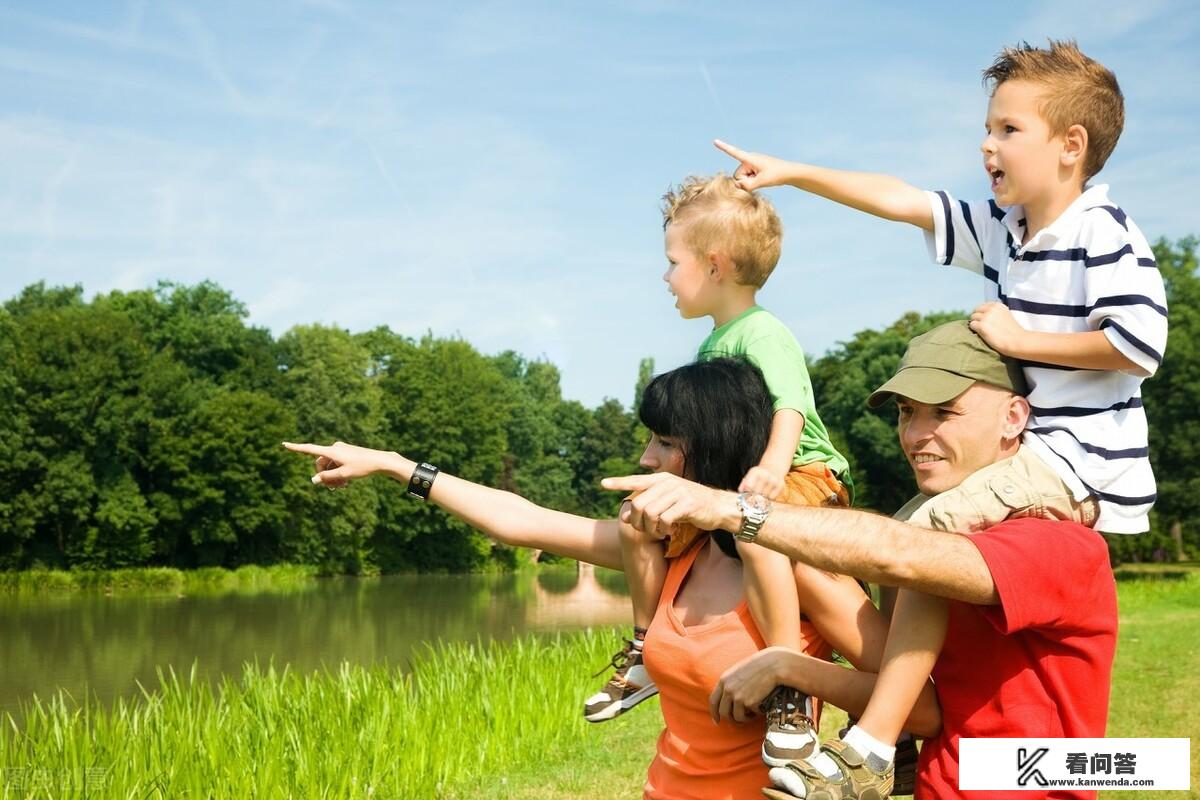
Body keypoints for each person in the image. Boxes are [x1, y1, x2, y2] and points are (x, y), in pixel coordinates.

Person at [710, 38, 1166, 786]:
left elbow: (1139, 340)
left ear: (1070, 146)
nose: (987, 145)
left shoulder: (1101, 233)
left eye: (1009, 130)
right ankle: (901, 704)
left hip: (1074, 460)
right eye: (987, 128)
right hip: (1030, 450)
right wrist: (793, 173)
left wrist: (1023, 339)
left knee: (919, 537)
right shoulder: (1008, 229)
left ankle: (877, 738)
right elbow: (903, 199)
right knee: (909, 524)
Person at [283, 358, 924, 800]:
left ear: (718, 446)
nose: (646, 458)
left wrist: (791, 669)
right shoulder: (671, 551)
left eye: (665, 442)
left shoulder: (798, 566)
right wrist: (397, 467)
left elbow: (918, 708)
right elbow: (523, 522)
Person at [605, 322, 1119, 800]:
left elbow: (899, 555)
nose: (916, 436)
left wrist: (728, 507)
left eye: (943, 412)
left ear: (1014, 418)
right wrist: (795, 667)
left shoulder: (1056, 545)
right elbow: (930, 703)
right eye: (906, 413)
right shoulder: (931, 533)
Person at [591, 174, 854, 772]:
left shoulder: (763, 333)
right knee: (635, 519)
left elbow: (788, 408)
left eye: (671, 261)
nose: (664, 276)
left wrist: (768, 471)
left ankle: (788, 686)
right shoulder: (714, 345)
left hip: (802, 473)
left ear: (713, 265)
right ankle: (643, 647)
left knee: (754, 533)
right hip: (734, 479)